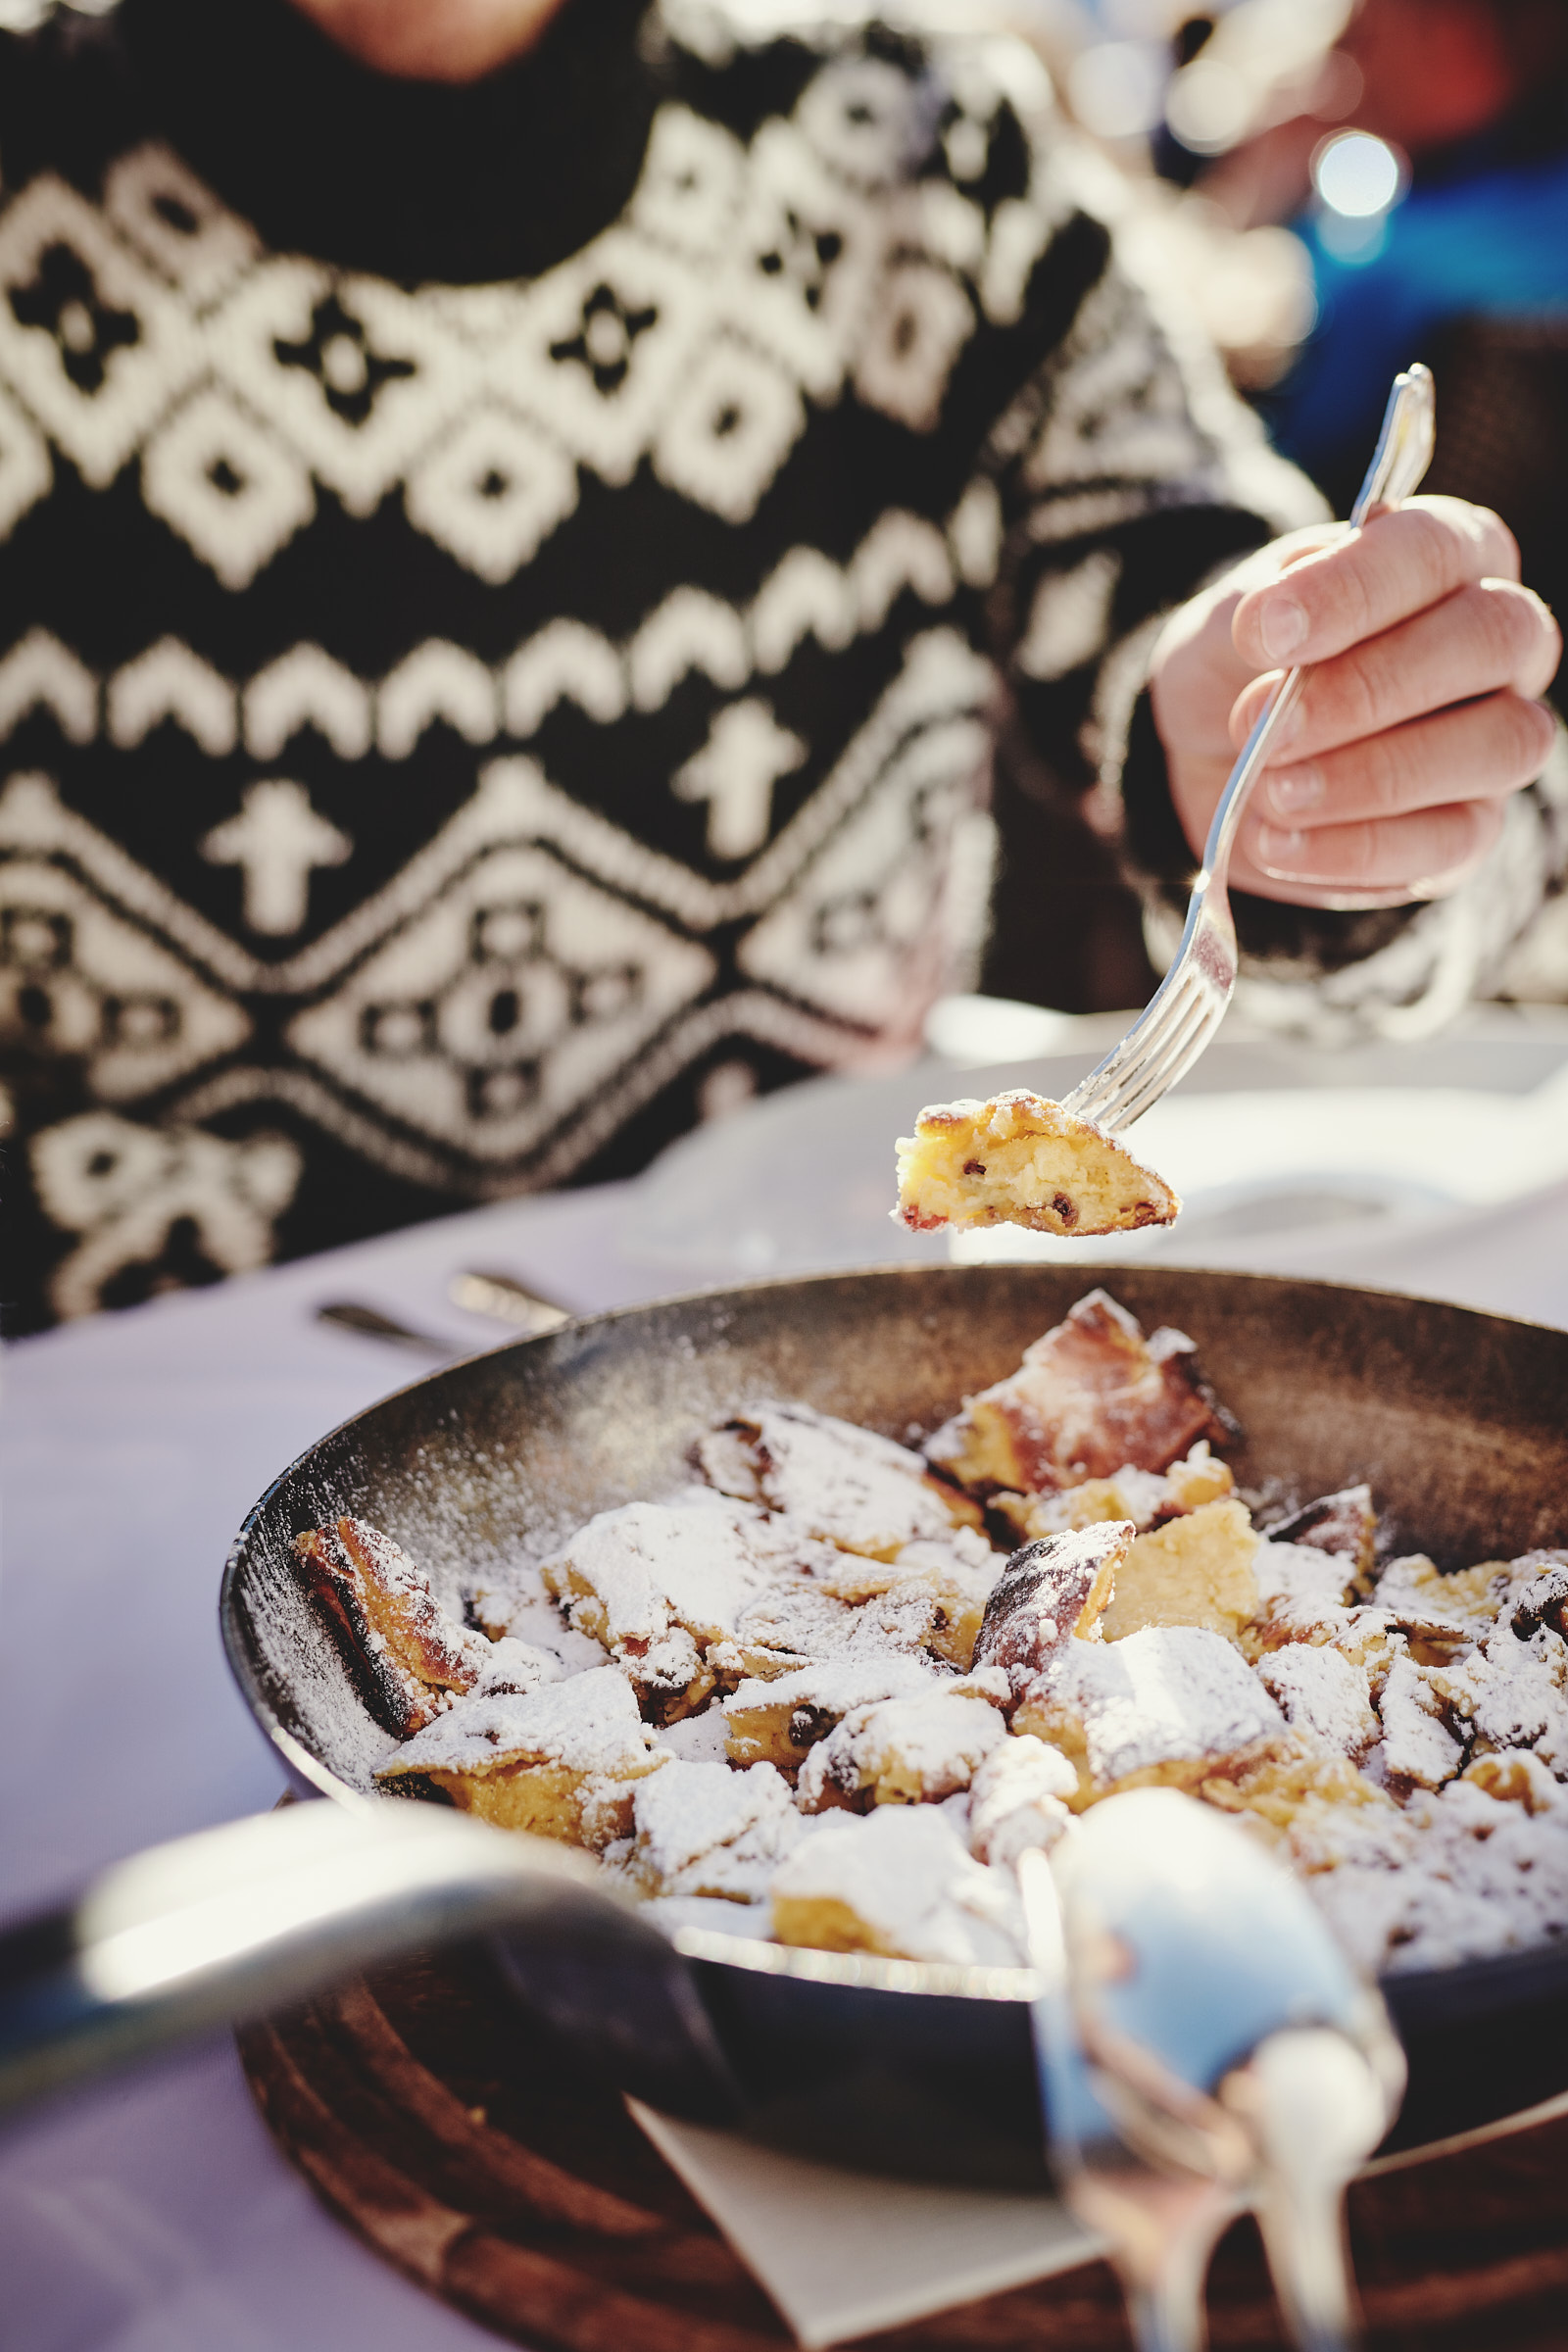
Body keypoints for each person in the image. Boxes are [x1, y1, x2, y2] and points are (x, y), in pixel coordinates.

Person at [0, 0, 1560, 1332]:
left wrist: (1302, 788)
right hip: (143, 1426)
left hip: (836, 1390)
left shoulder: (910, 147)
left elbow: (1438, 845)